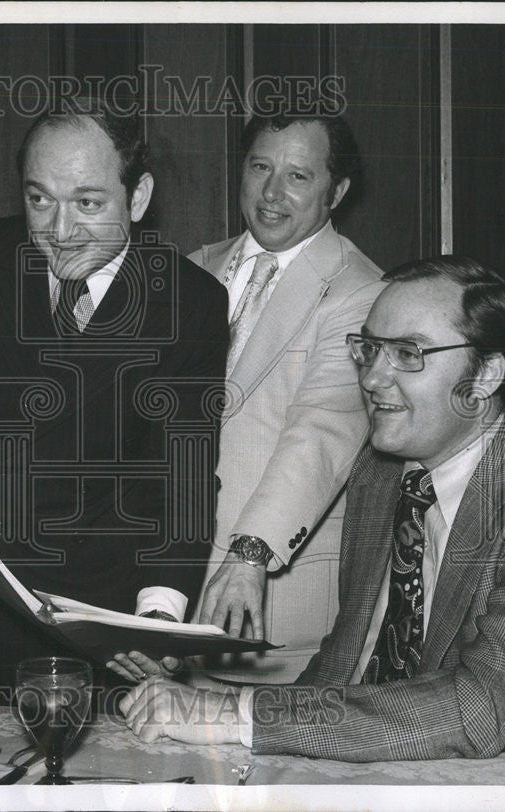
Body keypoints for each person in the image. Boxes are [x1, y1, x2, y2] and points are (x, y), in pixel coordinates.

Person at [119, 256, 505, 759]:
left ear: (486, 375)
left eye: (407, 353)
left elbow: (481, 707)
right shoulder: (381, 473)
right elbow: (344, 667)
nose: (373, 378)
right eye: (370, 349)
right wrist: (218, 704)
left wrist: (238, 714)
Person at [0, 99, 229, 692]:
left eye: (89, 203)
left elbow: (180, 477)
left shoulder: (191, 303)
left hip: (110, 618)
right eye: (39, 199)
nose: (60, 231)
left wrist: (157, 618)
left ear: (139, 198)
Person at [189, 114, 385, 682]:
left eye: (298, 175)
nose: (272, 193)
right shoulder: (193, 268)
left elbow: (321, 432)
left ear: (337, 191)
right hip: (170, 599)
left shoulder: (364, 291)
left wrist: (250, 556)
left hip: (275, 604)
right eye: (260, 167)